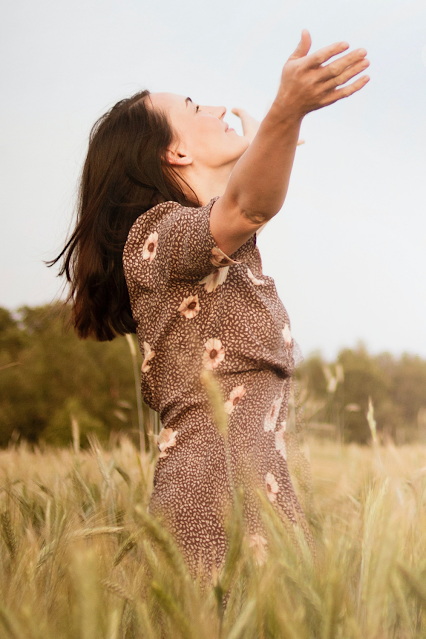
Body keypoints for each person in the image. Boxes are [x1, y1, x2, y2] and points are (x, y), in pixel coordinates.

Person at [53, 30, 369, 577]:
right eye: (196, 107)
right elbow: (246, 207)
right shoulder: (156, 236)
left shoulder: (212, 247)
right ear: (174, 151)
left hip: (254, 492)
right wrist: (284, 112)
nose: (220, 108)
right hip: (211, 500)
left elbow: (245, 204)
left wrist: (275, 133)